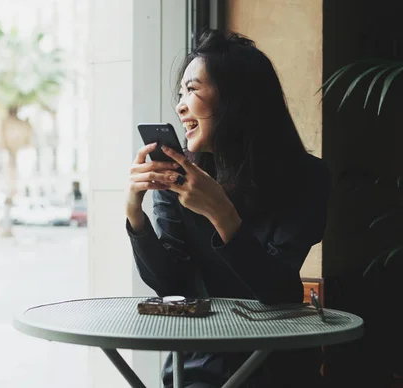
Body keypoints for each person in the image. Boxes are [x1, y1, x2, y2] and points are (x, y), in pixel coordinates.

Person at [125, 29, 330, 388]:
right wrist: (135, 216)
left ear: (237, 98)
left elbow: (276, 290)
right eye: (180, 93)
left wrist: (221, 213)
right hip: (197, 366)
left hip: (275, 366)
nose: (180, 105)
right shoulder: (179, 182)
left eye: (193, 89)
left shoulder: (308, 178)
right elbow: (170, 284)